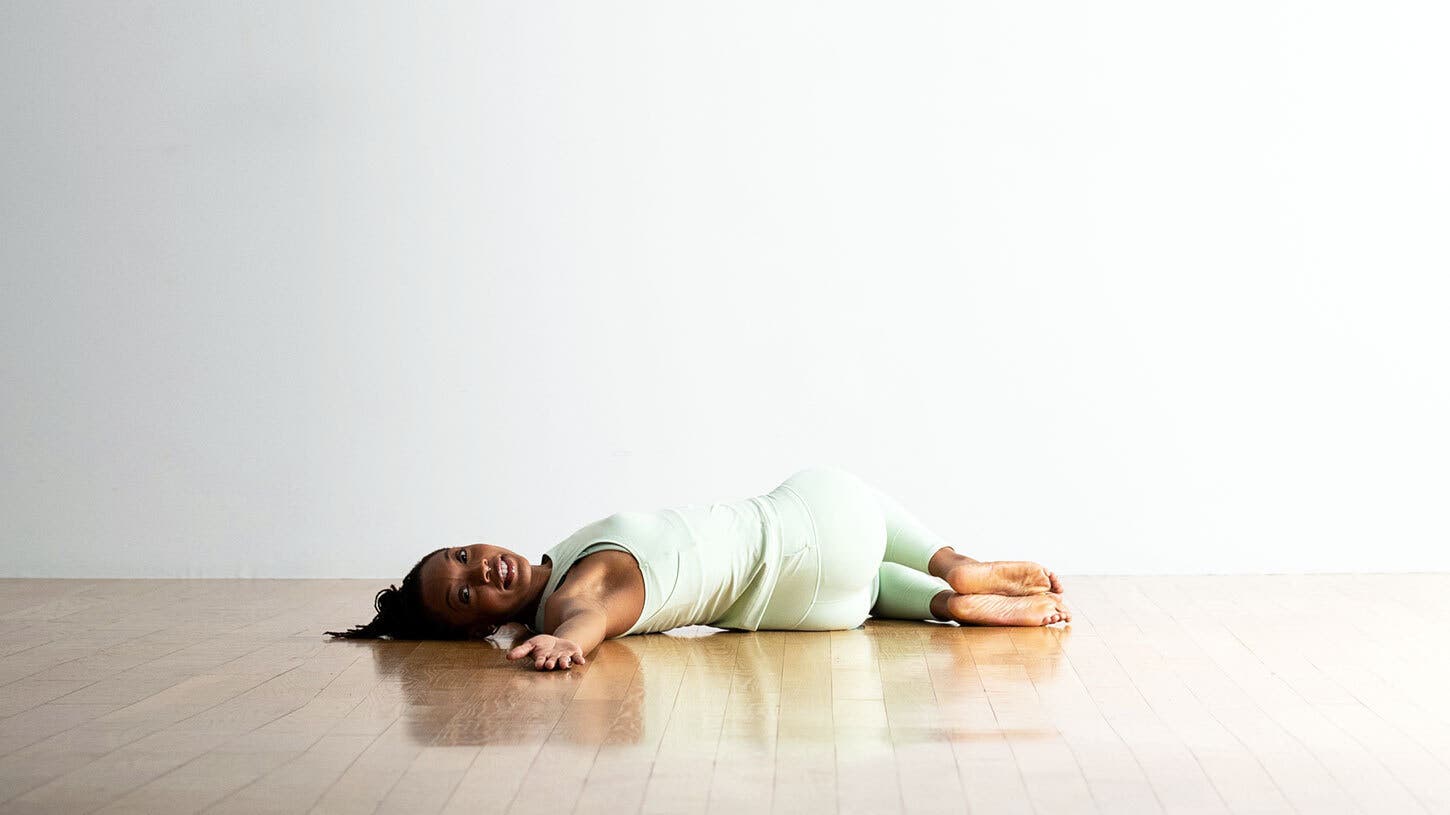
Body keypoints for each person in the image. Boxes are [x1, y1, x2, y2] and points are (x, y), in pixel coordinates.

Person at [325, 466, 1070, 671]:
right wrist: (571, 641)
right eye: (463, 593)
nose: (479, 568)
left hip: (815, 606)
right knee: (845, 496)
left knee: (869, 585)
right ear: (481, 623)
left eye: (462, 554)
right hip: (821, 518)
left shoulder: (563, 567)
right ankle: (959, 567)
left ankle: (945, 606)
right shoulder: (572, 593)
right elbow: (592, 610)